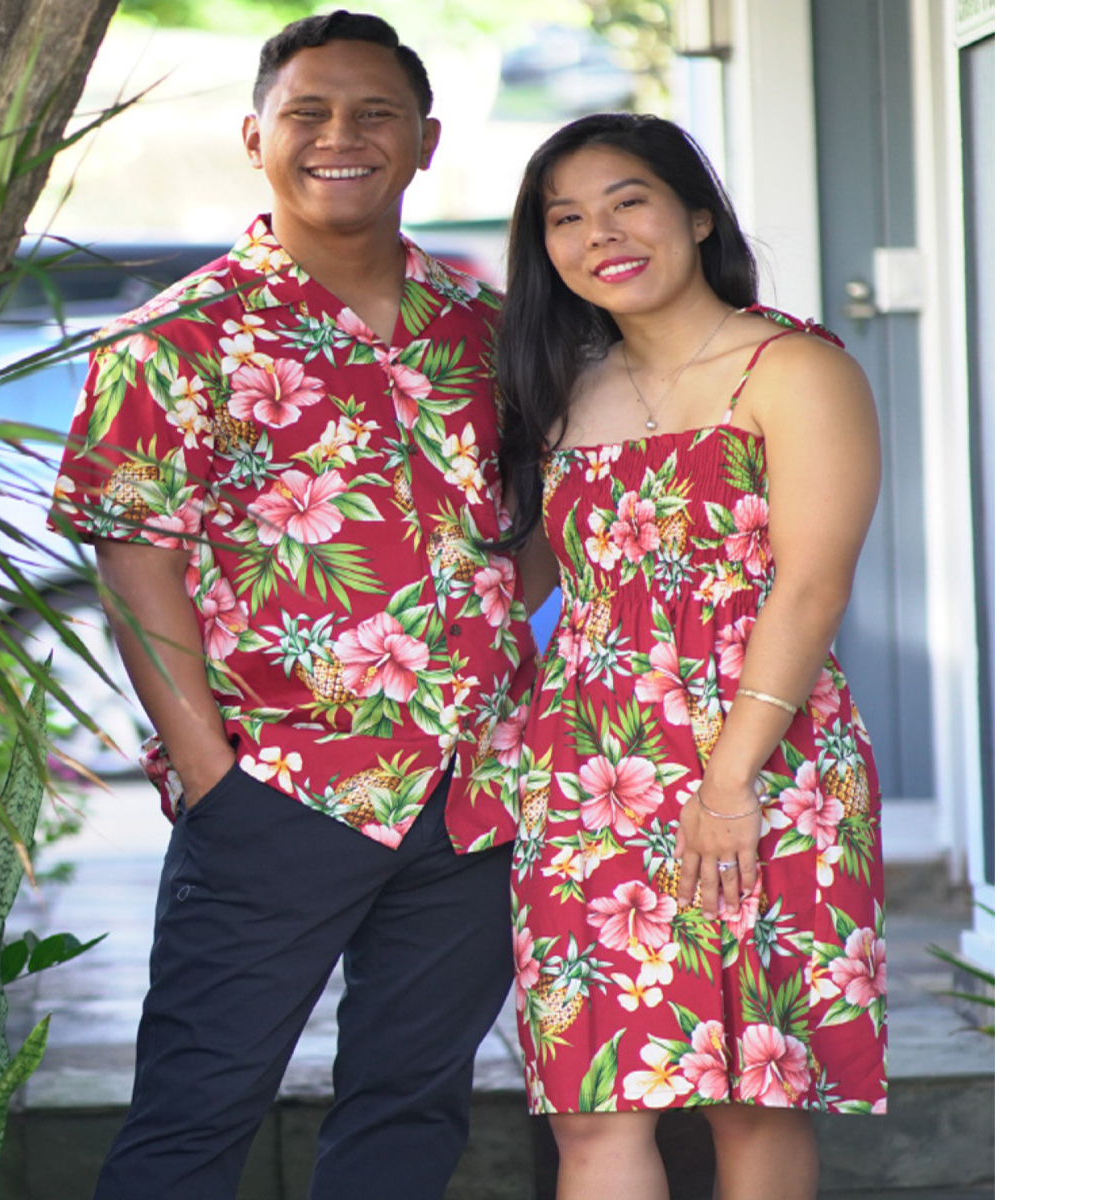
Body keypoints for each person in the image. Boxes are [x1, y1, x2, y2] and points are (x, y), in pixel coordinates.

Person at [48, 12, 537, 1199]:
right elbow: (136, 565)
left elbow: (531, 529)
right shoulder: (173, 341)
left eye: (374, 114)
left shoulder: (493, 335)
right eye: (308, 112)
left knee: (411, 1111)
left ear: (424, 142)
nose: (340, 137)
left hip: (474, 791)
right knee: (194, 1113)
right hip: (279, 786)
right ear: (254, 136)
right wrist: (209, 774)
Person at [496, 113, 887, 1200]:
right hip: (587, 775)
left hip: (764, 764)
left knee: (750, 1097)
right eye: (564, 216)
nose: (599, 234)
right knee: (591, 1105)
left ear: (695, 213)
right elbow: (532, 580)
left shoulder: (793, 368)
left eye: (627, 200)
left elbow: (811, 586)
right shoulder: (563, 393)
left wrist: (725, 782)